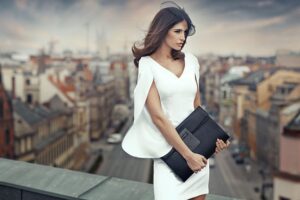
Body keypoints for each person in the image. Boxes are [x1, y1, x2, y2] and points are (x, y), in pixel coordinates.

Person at [122, 2, 230, 200]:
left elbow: (197, 108)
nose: (182, 37)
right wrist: (187, 155)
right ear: (162, 31)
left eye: (185, 32)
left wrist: (213, 141)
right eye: (177, 31)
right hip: (170, 155)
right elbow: (158, 117)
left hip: (197, 156)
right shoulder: (147, 65)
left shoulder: (192, 61)